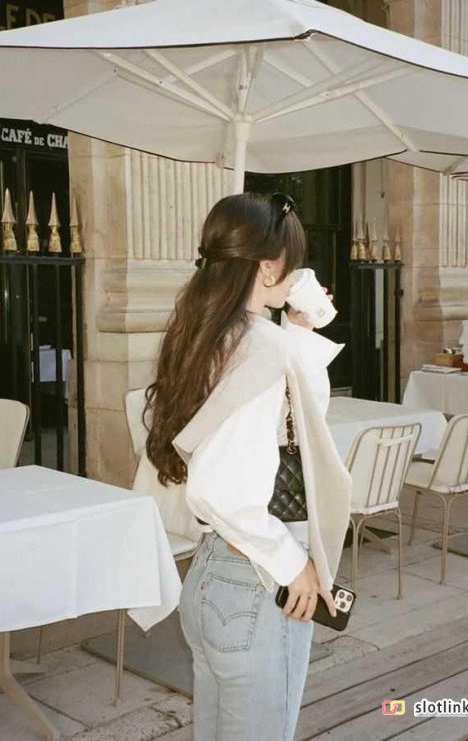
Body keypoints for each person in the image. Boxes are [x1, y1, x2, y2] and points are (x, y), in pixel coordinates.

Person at [138, 192, 351, 740]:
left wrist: (300, 328)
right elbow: (220, 489)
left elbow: (286, 419)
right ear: (269, 266)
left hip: (214, 574)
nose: (298, 272)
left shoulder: (208, 334)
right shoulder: (261, 346)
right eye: (293, 261)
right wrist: (292, 564)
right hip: (258, 582)